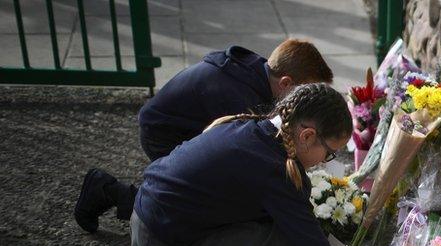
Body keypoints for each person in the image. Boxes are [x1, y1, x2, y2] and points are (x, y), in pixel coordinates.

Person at [130, 83, 357, 246]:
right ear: (307, 136)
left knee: (279, 226)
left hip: (154, 229)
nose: (325, 162)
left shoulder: (253, 128)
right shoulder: (275, 169)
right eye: (329, 154)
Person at [75, 38, 333, 233]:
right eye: (304, 93)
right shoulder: (240, 98)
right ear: (286, 83)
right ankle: (107, 191)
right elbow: (257, 157)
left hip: (174, 123)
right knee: (190, 199)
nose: (305, 103)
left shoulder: (259, 72)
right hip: (163, 132)